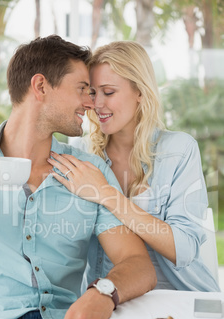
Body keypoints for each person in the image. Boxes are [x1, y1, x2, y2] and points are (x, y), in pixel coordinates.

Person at [0, 36, 156, 319]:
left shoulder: (90, 172)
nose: (91, 102)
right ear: (40, 86)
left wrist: (103, 293)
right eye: (83, 89)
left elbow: (137, 263)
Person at [48, 40, 220, 293]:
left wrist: (107, 195)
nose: (96, 105)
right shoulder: (83, 154)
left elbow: (183, 249)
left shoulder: (178, 151)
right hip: (112, 300)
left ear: (140, 91)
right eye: (92, 93)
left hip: (179, 299)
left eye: (109, 92)